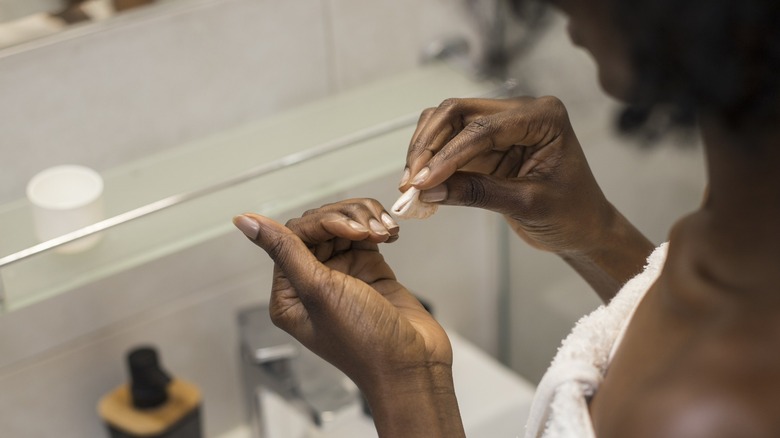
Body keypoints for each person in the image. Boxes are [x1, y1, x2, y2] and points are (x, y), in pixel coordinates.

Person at [232, 0, 780, 436]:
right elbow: (680, 326)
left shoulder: (706, 415)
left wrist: (407, 384)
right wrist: (595, 233)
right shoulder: (741, 229)